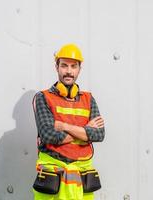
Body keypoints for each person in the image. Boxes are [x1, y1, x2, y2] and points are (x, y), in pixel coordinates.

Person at [32, 43, 105, 200]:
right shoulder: (43, 98)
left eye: (73, 66)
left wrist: (64, 126)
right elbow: (49, 136)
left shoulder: (89, 99)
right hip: (53, 176)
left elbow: (99, 134)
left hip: (82, 176)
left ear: (79, 69)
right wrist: (86, 131)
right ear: (56, 66)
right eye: (64, 65)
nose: (69, 71)